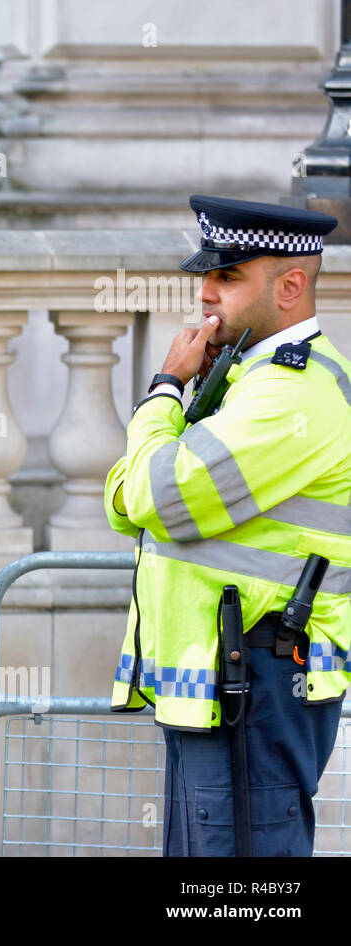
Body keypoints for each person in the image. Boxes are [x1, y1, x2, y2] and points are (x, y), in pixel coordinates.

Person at [105, 195, 351, 856]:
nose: (206, 293)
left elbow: (153, 492)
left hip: (258, 681)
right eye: (206, 276)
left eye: (229, 276)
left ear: (291, 286)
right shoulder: (245, 379)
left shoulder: (290, 394)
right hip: (221, 682)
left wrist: (164, 390)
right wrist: (176, 415)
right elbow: (124, 502)